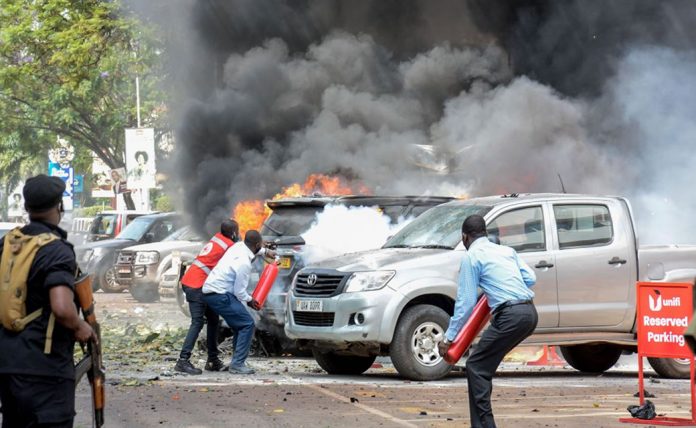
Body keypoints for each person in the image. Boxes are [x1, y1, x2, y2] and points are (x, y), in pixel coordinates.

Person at [0, 175, 96, 428]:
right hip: (45, 368)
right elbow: (63, 308)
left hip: (8, 364)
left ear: (27, 208)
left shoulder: (8, 244)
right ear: (59, 207)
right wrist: (80, 327)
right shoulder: (56, 250)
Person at [439, 214, 537, 428]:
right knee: (482, 367)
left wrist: (448, 338)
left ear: (464, 237)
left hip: (510, 316)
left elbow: (465, 304)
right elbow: (531, 278)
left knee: (476, 366)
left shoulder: (472, 257)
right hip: (529, 314)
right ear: (485, 232)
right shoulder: (506, 251)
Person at [174, 219, 241, 375]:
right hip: (196, 285)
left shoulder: (217, 238)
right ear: (233, 233)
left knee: (213, 320)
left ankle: (212, 360)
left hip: (196, 282)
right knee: (197, 322)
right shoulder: (229, 246)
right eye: (237, 232)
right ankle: (182, 361)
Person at [202, 230, 266, 374]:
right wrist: (251, 301)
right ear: (256, 244)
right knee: (247, 324)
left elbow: (254, 248)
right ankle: (237, 364)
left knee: (240, 324)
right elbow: (240, 293)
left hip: (211, 291)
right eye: (259, 245)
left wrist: (265, 251)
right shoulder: (244, 264)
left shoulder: (238, 246)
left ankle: (237, 361)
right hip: (220, 295)